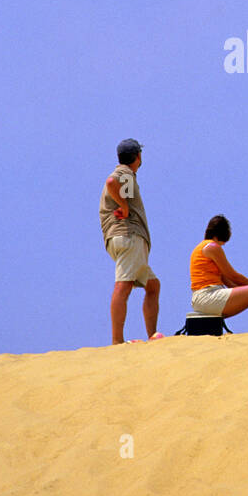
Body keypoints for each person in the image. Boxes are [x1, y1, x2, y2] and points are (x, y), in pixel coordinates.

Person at [99, 139, 164, 343]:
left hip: (124, 239)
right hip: (128, 236)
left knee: (153, 286)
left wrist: (123, 203)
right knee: (124, 285)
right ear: (138, 156)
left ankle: (152, 334)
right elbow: (111, 182)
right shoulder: (125, 173)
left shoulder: (127, 175)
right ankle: (117, 341)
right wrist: (124, 207)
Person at [189, 215, 248, 332]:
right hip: (207, 296)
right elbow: (233, 275)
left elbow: (228, 282)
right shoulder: (212, 247)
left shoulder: (201, 247)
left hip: (202, 299)